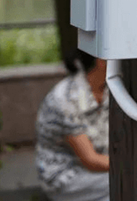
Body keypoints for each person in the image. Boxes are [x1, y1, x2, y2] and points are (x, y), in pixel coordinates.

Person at [36, 50, 110, 201]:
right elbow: (91, 160)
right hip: (66, 176)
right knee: (130, 184)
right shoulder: (65, 99)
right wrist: (134, 165)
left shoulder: (109, 88)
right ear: (101, 61)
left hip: (101, 169)